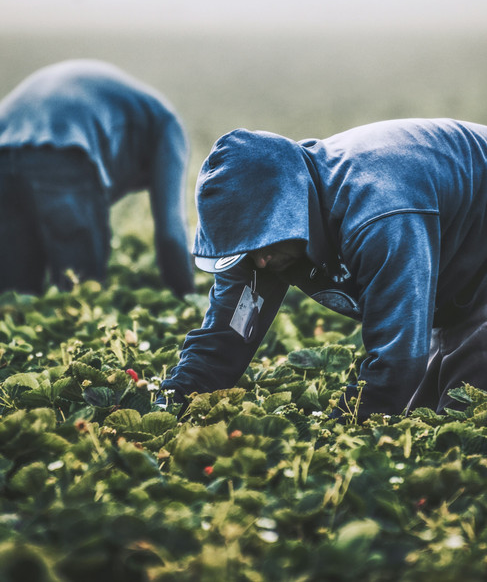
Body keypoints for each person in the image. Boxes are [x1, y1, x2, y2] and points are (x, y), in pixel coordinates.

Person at [156, 120, 487, 422]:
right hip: (454, 282)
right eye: (246, 249)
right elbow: (223, 340)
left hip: (475, 272)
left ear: (291, 209)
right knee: (419, 417)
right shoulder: (261, 243)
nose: (259, 263)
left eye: (264, 243)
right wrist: (166, 405)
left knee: (461, 419)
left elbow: (397, 362)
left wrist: (334, 429)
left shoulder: (378, 214)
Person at [0, 59, 194, 297]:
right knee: (80, 295)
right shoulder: (169, 127)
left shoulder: (137, 119)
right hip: (64, 147)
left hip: (5, 142)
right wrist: (188, 296)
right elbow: (171, 233)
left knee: (14, 299)